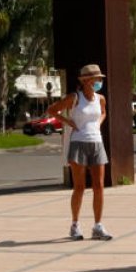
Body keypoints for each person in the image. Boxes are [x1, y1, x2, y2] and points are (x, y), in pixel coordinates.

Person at [47, 63, 113, 241]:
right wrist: (68, 122)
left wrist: (99, 122)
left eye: (100, 79)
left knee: (99, 186)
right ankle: (75, 225)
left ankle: (98, 225)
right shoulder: (74, 97)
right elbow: (52, 110)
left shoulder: (100, 99)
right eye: (95, 79)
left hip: (96, 143)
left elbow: (104, 113)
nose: (99, 82)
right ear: (85, 81)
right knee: (80, 187)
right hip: (78, 143)